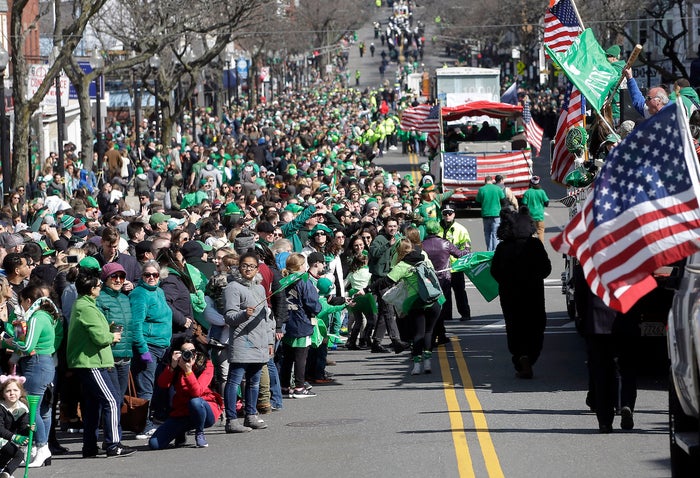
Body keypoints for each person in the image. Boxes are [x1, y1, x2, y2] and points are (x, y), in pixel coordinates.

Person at [67, 266, 136, 458]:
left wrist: (107, 328)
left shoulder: (85, 304)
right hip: (91, 362)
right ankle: (114, 444)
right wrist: (112, 335)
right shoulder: (86, 307)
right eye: (97, 285)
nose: (99, 287)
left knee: (92, 405)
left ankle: (89, 446)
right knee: (112, 401)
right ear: (91, 289)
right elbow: (99, 337)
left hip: (91, 360)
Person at [573, 264, 638, 433]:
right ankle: (626, 403)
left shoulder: (586, 264)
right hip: (624, 319)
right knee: (626, 366)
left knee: (601, 371)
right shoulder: (629, 260)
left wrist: (582, 320)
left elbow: (580, 297)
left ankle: (604, 421)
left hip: (597, 323)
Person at [0, 284, 60, 468]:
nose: (22, 308)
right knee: (41, 410)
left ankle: (41, 447)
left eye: (22, 304)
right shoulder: (46, 316)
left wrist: (9, 341)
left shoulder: (37, 317)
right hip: (43, 363)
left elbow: (27, 346)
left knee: (31, 409)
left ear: (28, 301)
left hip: (37, 364)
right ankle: (40, 448)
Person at [490, 207, 551, 379]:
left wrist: (506, 281)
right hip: (534, 294)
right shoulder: (535, 245)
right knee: (536, 326)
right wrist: (535, 277)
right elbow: (546, 268)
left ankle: (521, 357)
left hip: (510, 295)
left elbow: (495, 271)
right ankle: (528, 357)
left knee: (514, 327)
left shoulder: (503, 247)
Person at [370, 238, 442, 375]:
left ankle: (416, 365)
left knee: (418, 333)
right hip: (433, 301)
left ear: (399, 251)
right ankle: (427, 363)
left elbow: (386, 281)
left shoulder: (402, 265)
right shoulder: (424, 258)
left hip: (416, 302)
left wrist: (368, 289)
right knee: (428, 332)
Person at [222, 252, 274, 432]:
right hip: (242, 340)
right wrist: (244, 314)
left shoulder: (260, 288)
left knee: (254, 381)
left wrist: (269, 342)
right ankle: (231, 420)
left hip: (259, 341)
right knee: (235, 380)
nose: (248, 269)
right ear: (238, 267)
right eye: (244, 265)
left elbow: (267, 317)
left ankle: (251, 415)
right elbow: (229, 317)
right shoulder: (233, 287)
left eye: (251, 266)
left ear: (257, 269)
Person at [148, 337, 222, 449]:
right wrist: (172, 366)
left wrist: (188, 371)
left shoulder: (206, 364)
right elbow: (162, 384)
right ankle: (180, 432)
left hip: (204, 409)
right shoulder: (176, 365)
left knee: (195, 402)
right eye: (185, 352)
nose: (190, 355)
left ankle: (199, 433)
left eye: (192, 352)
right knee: (154, 444)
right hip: (182, 411)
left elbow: (197, 392)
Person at [129, 260, 171, 440]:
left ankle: (150, 420)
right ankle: (143, 425)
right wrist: (142, 348)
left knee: (155, 387)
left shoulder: (159, 291)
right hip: (149, 346)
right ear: (141, 276)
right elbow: (136, 324)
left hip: (162, 346)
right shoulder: (139, 294)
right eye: (148, 275)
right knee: (145, 389)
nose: (152, 278)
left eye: (155, 274)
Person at [279, 253, 321, 398]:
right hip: (301, 322)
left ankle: (284, 386)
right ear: (300, 266)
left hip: (286, 322)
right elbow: (313, 304)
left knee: (287, 357)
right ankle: (299, 387)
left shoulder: (283, 281)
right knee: (301, 358)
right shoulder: (304, 281)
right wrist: (318, 308)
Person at [422, 220, 468, 345]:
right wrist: (467, 248)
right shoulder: (445, 244)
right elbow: (460, 254)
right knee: (440, 308)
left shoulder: (422, 245)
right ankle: (436, 336)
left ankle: (440, 334)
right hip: (444, 280)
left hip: (428, 280)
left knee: (431, 307)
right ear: (438, 230)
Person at [95, 262, 134, 400]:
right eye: (114, 276)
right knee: (111, 398)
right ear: (105, 278)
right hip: (108, 355)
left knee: (120, 397)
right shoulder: (99, 298)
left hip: (126, 355)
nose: (118, 280)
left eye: (121, 277)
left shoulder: (125, 298)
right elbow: (97, 326)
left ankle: (116, 422)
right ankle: (109, 422)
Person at [439, 204, 472, 322]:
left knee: (459, 291)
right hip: (442, 267)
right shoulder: (437, 228)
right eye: (445, 213)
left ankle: (465, 313)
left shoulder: (461, 229)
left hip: (456, 266)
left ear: (454, 214)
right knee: (444, 292)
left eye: (450, 213)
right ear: (441, 214)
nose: (447, 215)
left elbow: (467, 248)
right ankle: (446, 315)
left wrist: (458, 253)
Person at [0, 375, 31, 478]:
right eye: (8, 391)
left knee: (12, 452)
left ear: (21, 392)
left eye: (15, 390)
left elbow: (23, 429)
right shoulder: (1, 407)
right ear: (3, 394)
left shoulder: (22, 408)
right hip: (3, 437)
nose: (12, 393)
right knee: (17, 453)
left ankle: (3, 472)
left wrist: (29, 429)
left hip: (7, 438)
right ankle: (7, 473)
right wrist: (14, 437)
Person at [475, 176, 505, 251]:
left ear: (485, 181)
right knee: (495, 234)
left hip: (486, 213)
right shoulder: (497, 188)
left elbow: (478, 200)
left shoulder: (482, 189)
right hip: (496, 213)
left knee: (487, 233)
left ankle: (489, 250)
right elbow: (503, 199)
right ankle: (495, 250)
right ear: (492, 181)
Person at [521, 176, 549, 243]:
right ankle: (540, 248)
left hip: (530, 216)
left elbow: (523, 205)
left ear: (530, 183)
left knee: (531, 233)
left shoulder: (527, 192)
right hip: (539, 216)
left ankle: (532, 248)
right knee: (540, 232)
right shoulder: (542, 192)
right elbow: (546, 203)